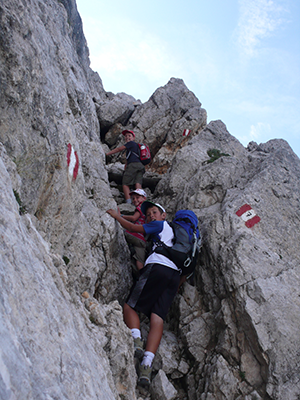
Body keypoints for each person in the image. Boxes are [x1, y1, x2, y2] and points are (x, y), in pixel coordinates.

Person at [106, 201, 181, 388]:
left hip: (158, 266)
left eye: (154, 212)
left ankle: (136, 340)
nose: (150, 216)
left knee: (129, 306)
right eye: (147, 214)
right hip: (174, 275)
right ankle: (147, 365)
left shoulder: (160, 225)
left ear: (164, 216)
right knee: (157, 317)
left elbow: (132, 227)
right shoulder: (177, 237)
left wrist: (117, 216)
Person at [106, 130, 145, 203]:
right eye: (126, 136)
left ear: (133, 138)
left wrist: (107, 154)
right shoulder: (136, 147)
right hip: (140, 166)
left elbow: (118, 149)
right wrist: (125, 167)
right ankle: (140, 202)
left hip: (133, 165)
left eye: (129, 136)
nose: (127, 137)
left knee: (125, 184)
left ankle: (128, 202)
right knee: (138, 184)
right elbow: (129, 160)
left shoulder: (131, 143)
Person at [122, 189, 147, 272]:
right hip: (141, 239)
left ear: (144, 198)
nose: (135, 200)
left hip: (133, 234)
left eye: (137, 197)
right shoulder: (146, 209)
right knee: (140, 260)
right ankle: (141, 276)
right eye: (133, 198)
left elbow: (134, 218)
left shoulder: (141, 206)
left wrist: (121, 216)